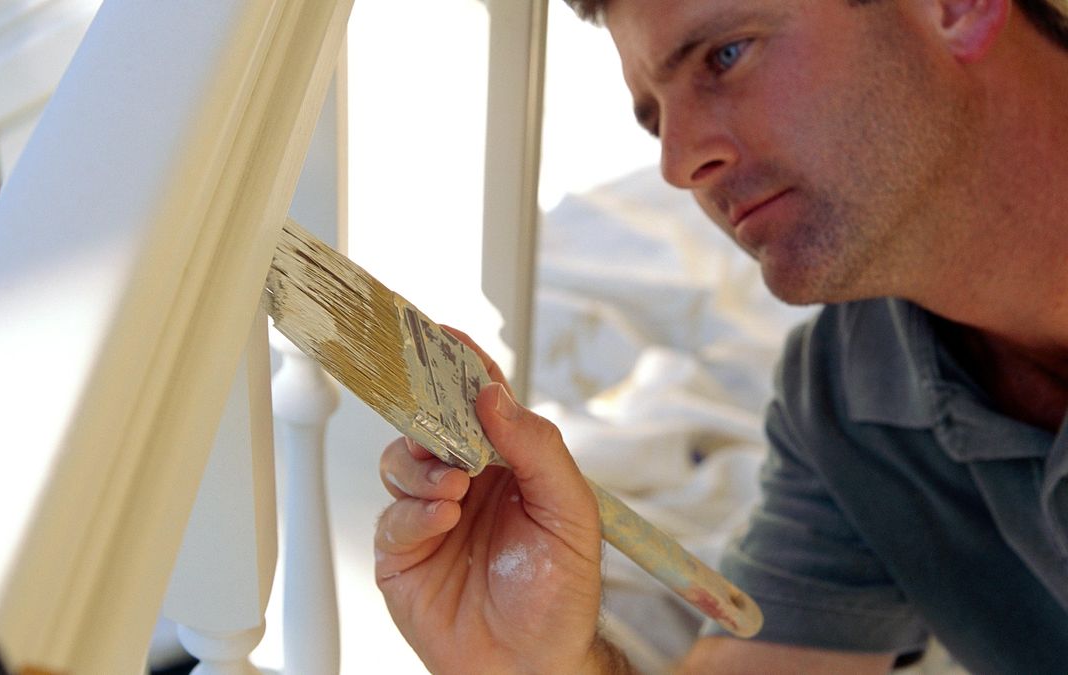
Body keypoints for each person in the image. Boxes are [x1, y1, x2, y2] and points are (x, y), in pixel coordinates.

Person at [373, 0, 1068, 671]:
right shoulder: (848, 396)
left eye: (726, 56)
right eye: (655, 123)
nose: (678, 166)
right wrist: (535, 666)